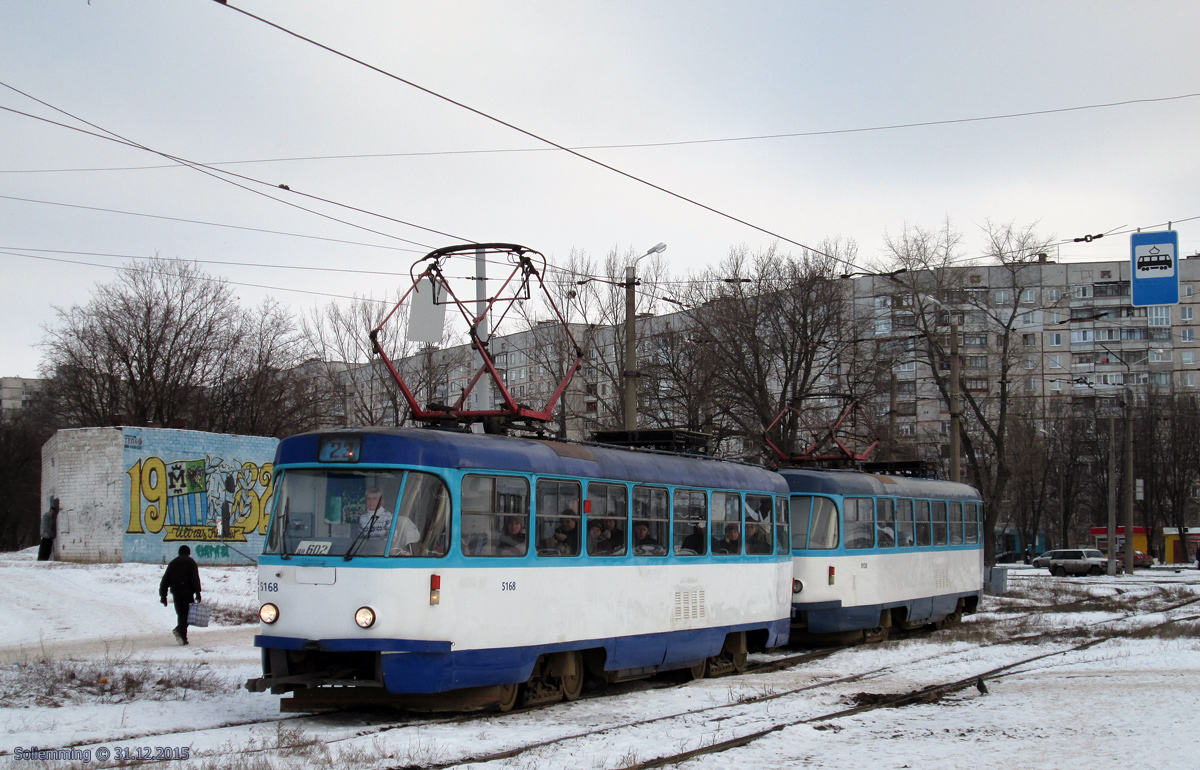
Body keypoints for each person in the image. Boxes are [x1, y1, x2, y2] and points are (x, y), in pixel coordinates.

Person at [159, 545, 202, 645]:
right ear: (188, 553)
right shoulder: (190, 562)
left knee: (181, 614)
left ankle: (183, 638)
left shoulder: (173, 563)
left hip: (176, 593)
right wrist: (197, 592)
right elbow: (195, 578)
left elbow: (165, 581)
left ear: (179, 552)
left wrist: (163, 596)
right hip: (187, 593)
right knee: (187, 615)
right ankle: (179, 630)